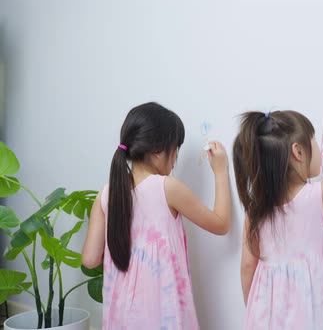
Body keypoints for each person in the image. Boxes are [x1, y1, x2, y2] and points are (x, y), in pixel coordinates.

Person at [82, 102, 231, 329]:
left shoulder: (105, 194)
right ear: (157, 151)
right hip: (163, 315)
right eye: (176, 149)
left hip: (121, 315)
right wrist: (221, 172)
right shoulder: (167, 187)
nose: (175, 159)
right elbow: (221, 224)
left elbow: (90, 260)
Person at [233, 108, 323, 329]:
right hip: (306, 310)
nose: (320, 150)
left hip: (264, 314)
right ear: (299, 152)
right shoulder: (315, 196)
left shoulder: (256, 209)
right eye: (315, 141)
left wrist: (255, 309)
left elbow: (247, 266)